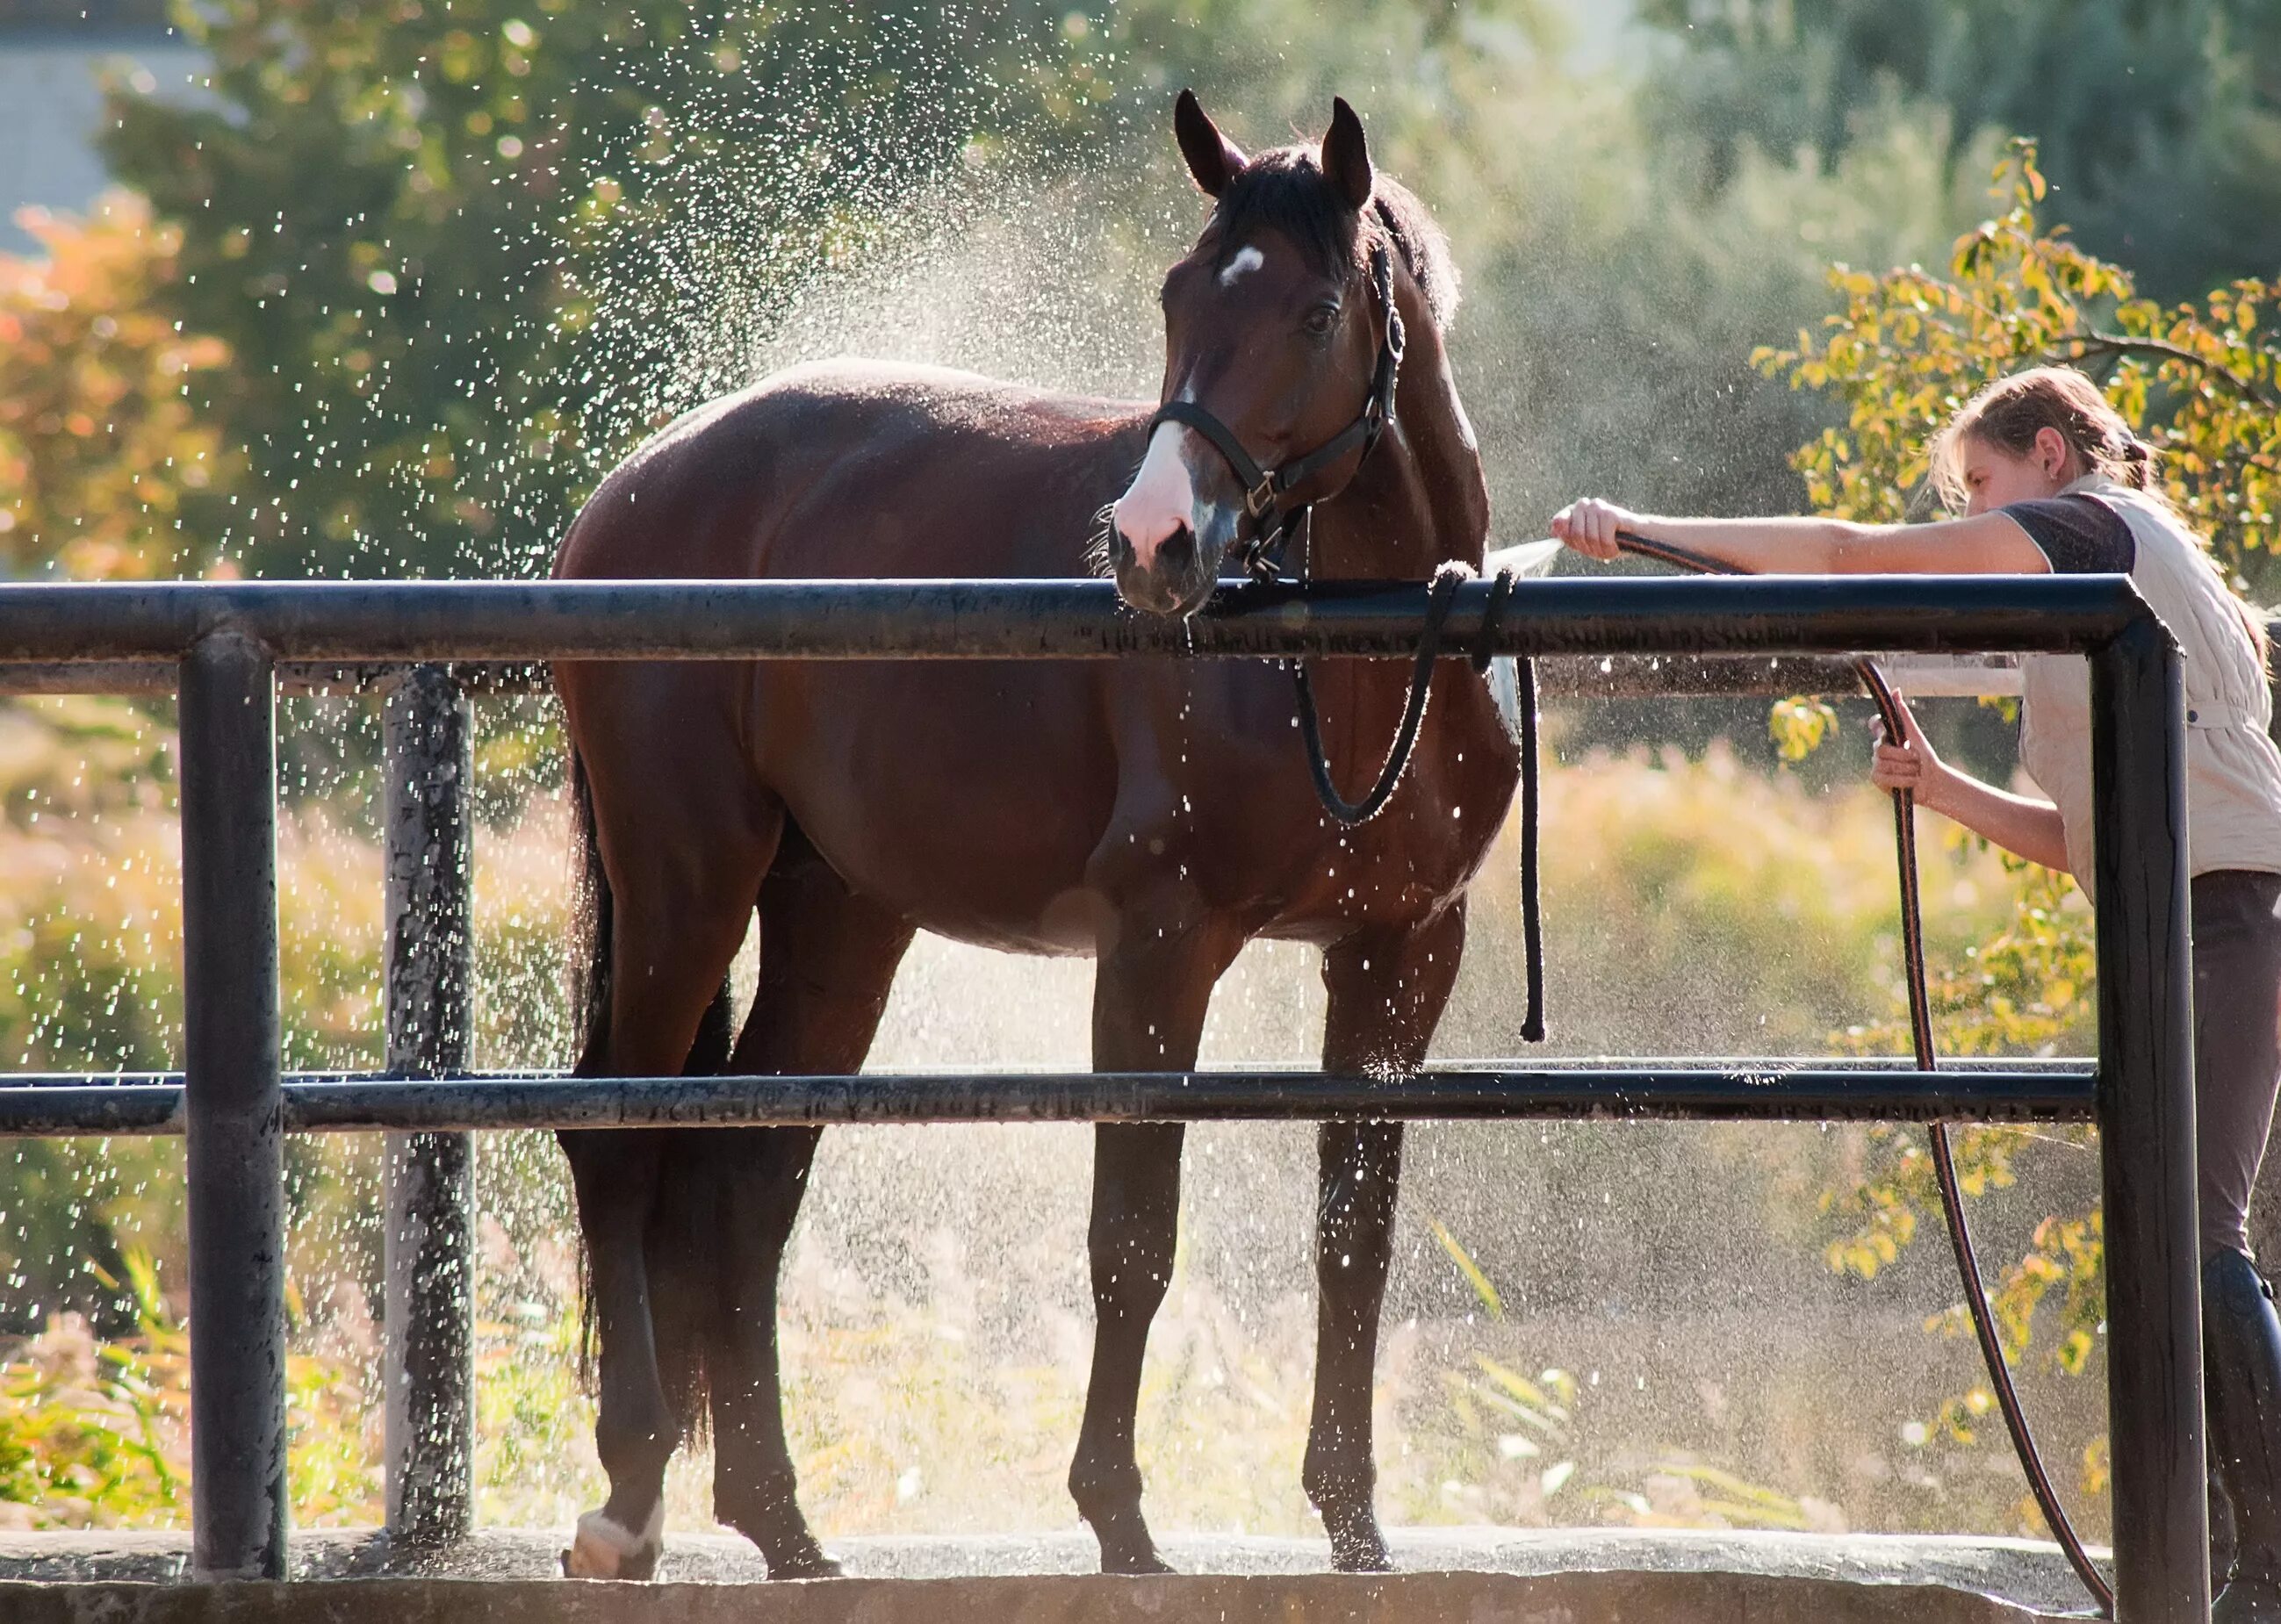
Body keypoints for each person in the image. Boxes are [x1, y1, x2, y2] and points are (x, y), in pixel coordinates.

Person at [1553, 364, 2281, 1618]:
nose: (1976, 512)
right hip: (2204, 912)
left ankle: (2264, 1554)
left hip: (2224, 917)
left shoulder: (2091, 525)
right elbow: (2091, 835)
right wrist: (1943, 789)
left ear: (2049, 454)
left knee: (2198, 1231)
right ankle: (2224, 1549)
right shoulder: (2131, 574)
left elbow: (1845, 549)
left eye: (1982, 486)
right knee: (2175, 1231)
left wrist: (1639, 529)